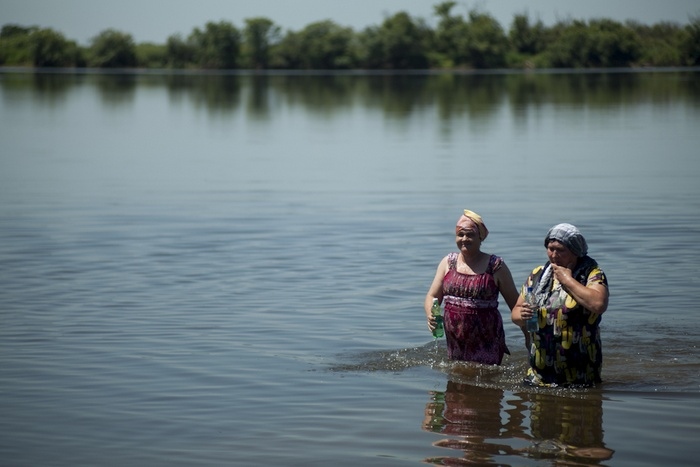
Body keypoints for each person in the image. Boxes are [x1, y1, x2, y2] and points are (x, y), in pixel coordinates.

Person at [512, 223, 609, 387]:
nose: (554, 254)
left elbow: (599, 304)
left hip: (580, 375)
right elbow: (515, 311)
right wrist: (521, 315)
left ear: (575, 251)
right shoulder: (538, 275)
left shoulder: (591, 274)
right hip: (539, 374)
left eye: (560, 250)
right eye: (550, 249)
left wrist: (567, 280)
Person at [425, 210, 519, 365]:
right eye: (460, 234)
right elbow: (432, 296)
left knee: (488, 378)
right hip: (455, 341)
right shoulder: (448, 263)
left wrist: (529, 336)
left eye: (470, 235)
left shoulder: (495, 266)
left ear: (480, 237)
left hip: (487, 341)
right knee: (456, 377)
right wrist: (430, 314)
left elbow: (516, 305)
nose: (464, 239)